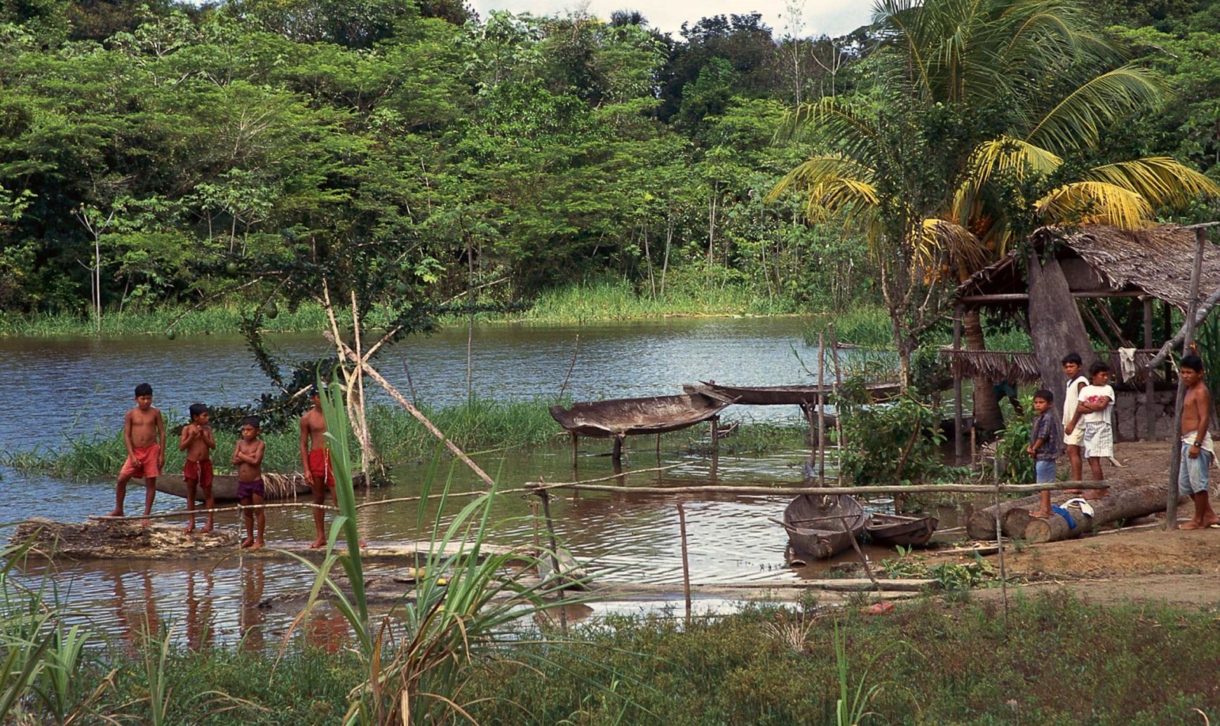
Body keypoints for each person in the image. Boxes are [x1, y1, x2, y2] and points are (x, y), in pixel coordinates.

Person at [108, 383, 166, 523]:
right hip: (136, 451)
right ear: (136, 399)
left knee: (150, 482)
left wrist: (162, 454)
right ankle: (119, 509)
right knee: (122, 479)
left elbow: (162, 433)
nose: (146, 401)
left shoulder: (155, 413)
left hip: (152, 450)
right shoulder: (131, 414)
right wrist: (132, 455)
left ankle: (146, 515)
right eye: (142, 398)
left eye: (148, 398)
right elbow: (127, 435)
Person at [1177, 354, 1217, 529]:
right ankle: (1208, 514)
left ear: (1199, 373)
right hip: (1187, 440)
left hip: (1196, 440)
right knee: (1186, 484)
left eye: (1189, 372)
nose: (1185, 376)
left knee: (1198, 483)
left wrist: (1197, 444)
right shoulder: (1189, 389)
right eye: (1183, 372)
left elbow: (1204, 418)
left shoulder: (1200, 391)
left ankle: (1199, 519)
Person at [1065, 361, 1114, 499]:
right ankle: (1100, 487)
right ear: (1094, 376)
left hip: (1101, 425)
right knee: (1091, 458)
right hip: (1090, 426)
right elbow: (1080, 408)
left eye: (1106, 375)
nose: (1105, 378)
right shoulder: (1086, 390)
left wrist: (1087, 405)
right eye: (1102, 375)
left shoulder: (1108, 389)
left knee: (1094, 458)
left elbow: (1102, 406)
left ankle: (1099, 490)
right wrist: (1093, 405)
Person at [300, 385, 335, 549]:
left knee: (339, 498)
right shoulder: (307, 418)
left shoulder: (334, 413)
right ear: (313, 398)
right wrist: (306, 468)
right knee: (318, 498)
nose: (324, 399)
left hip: (332, 456)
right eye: (320, 396)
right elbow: (303, 444)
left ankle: (353, 535)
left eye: (326, 395)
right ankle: (321, 536)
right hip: (316, 457)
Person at [178, 403, 216, 534]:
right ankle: (191, 521)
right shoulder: (187, 429)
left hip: (205, 463)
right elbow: (182, 447)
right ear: (195, 417)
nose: (207, 418)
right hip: (192, 463)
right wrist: (192, 437)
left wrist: (204, 436)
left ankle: (210, 521)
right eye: (204, 415)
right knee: (191, 492)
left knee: (208, 492)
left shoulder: (208, 430)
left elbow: (213, 446)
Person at [1026, 389, 1062, 518]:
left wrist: (1034, 448)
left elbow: (1043, 435)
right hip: (1042, 455)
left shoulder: (1047, 418)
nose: (1038, 405)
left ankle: (1044, 510)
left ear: (1050, 404)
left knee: (1044, 484)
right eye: (1036, 402)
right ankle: (1046, 508)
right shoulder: (1040, 417)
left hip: (1045, 454)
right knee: (1044, 484)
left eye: (1041, 402)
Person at [233, 416, 266, 549]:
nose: (246, 432)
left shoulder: (260, 444)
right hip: (243, 482)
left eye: (249, 430)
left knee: (258, 510)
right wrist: (247, 457)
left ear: (257, 431)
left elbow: (255, 461)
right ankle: (249, 537)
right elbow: (233, 460)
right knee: (246, 511)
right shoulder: (239, 443)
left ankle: (260, 539)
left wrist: (241, 455)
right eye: (244, 430)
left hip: (255, 482)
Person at [1061, 353, 1089, 484]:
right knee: (1071, 451)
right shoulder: (1069, 383)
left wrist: (1072, 423)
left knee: (1073, 450)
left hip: (1077, 422)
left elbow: (1081, 403)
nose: (1069, 369)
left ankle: (1077, 483)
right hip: (1070, 421)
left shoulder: (1081, 382)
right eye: (1066, 367)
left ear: (1079, 367)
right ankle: (1075, 481)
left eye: (1071, 366)